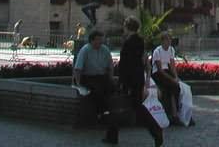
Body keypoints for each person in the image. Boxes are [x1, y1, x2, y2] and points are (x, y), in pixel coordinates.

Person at [118, 17, 164, 147]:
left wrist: (122, 80)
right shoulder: (140, 41)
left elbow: (125, 63)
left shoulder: (128, 42)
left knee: (136, 107)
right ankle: (112, 134)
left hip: (130, 79)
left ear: (127, 26)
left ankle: (156, 130)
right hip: (138, 77)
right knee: (123, 105)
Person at [73, 29, 119, 145]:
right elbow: (78, 68)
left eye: (101, 39)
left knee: (112, 89)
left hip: (102, 76)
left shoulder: (105, 50)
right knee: (96, 91)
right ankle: (101, 114)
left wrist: (111, 78)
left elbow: (110, 66)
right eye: (98, 40)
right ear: (92, 40)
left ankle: (108, 112)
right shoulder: (85, 50)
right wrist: (78, 84)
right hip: (89, 77)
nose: (100, 42)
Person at [151, 32, 182, 125]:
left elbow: (172, 65)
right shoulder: (157, 51)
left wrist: (175, 76)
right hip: (158, 73)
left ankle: (175, 113)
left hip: (167, 71)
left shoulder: (171, 50)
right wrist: (172, 79)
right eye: (167, 40)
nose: (169, 42)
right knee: (170, 87)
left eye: (170, 40)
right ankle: (172, 114)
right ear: (162, 41)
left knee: (176, 88)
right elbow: (160, 69)